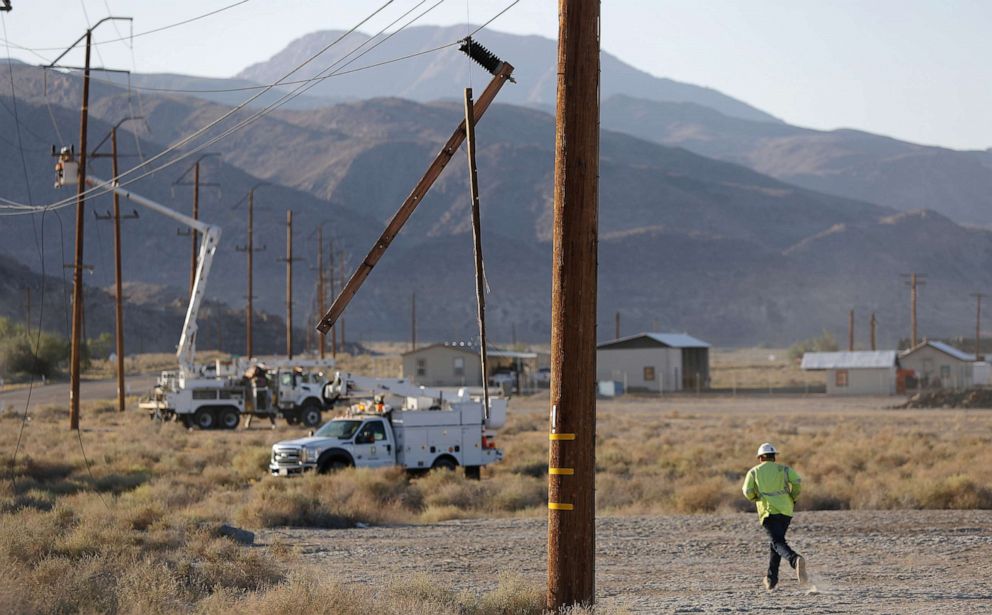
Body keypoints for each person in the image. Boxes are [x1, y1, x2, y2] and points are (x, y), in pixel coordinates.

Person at [742, 442, 808, 590]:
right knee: (776, 543)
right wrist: (793, 497)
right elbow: (797, 482)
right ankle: (771, 580)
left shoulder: (754, 472)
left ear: (760, 458)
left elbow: (747, 491)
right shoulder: (784, 469)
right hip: (786, 511)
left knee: (777, 542)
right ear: (774, 457)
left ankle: (794, 559)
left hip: (768, 511)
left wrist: (755, 498)